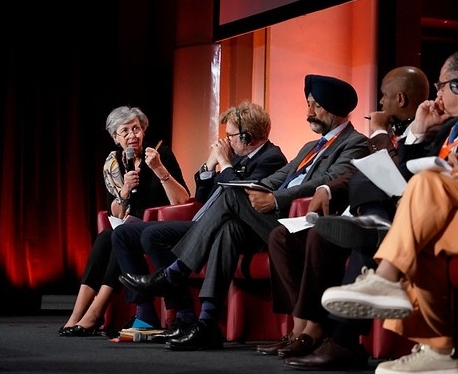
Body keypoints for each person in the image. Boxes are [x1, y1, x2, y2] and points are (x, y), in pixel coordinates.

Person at [119, 74, 371, 350]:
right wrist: (257, 191)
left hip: (299, 221)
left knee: (231, 194)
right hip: (268, 219)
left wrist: (272, 200)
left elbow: (320, 183)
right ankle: (207, 322)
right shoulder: (311, 147)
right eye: (308, 104)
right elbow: (280, 177)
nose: (309, 112)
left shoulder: (354, 143)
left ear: (333, 107)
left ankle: (174, 273)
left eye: (316, 106)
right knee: (229, 229)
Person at [320, 50, 458, 374]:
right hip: (442, 214)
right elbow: (405, 172)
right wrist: (418, 128)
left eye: (442, 86)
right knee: (422, 237)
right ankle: (439, 351)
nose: (438, 93)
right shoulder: (447, 128)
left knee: (427, 187)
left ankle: (385, 276)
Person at [256, 66, 430, 370]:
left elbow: (391, 173)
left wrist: (377, 133)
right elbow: (354, 174)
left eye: (384, 97)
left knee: (323, 234)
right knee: (283, 235)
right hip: (358, 211)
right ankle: (305, 327)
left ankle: (331, 335)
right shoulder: (388, 132)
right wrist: (327, 189)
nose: (379, 103)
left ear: (399, 98)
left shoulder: (397, 133)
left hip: (402, 214)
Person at [111, 101, 287, 341]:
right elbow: (202, 197)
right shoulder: (235, 156)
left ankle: (184, 311)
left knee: (152, 236)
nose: (226, 141)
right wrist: (209, 165)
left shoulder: (271, 158)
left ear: (248, 137)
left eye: (231, 135)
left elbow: (241, 197)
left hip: (241, 229)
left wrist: (224, 163)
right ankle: (146, 313)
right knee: (122, 234)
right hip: (203, 222)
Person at [59, 106, 190, 337]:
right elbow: (116, 212)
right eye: (125, 131)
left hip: (156, 227)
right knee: (105, 238)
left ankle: (97, 312)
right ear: (115, 137)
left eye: (137, 129)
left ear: (144, 131)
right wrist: (126, 189)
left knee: (120, 236)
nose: (132, 135)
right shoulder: (113, 163)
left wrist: (158, 168)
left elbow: (182, 200)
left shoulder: (160, 154)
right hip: (128, 225)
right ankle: (76, 315)